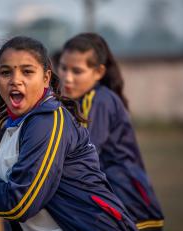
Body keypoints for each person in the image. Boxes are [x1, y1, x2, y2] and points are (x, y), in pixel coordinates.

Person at [0, 36, 137, 231]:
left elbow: (20, 204)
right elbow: (9, 194)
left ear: (46, 78)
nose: (15, 80)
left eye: (27, 71)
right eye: (6, 72)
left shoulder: (48, 120)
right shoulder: (10, 125)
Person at [57, 33, 164, 230]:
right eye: (63, 68)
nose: (67, 77)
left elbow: (85, 152)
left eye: (77, 71)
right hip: (116, 204)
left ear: (98, 72)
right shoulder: (81, 101)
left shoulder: (99, 101)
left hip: (128, 205)